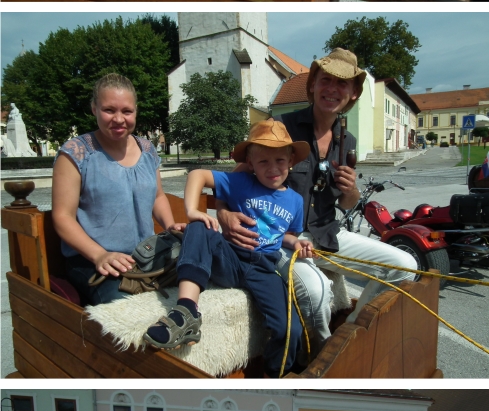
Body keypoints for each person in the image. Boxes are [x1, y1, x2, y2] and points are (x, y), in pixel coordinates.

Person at [143, 120, 309, 370]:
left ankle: (276, 377)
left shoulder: (295, 201)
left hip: (264, 269)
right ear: (251, 163)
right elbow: (197, 175)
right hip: (231, 258)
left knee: (290, 330)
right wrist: (191, 210)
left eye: (280, 161)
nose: (272, 168)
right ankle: (186, 311)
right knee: (199, 225)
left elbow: (283, 235)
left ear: (291, 161)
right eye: (263, 161)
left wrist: (296, 241)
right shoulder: (240, 181)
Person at [51, 69, 175, 303]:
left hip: (145, 256)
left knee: (198, 281)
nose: (119, 119)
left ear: (135, 112)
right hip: (91, 261)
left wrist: (170, 228)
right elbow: (62, 217)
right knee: (128, 308)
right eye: (109, 110)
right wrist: (100, 255)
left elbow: (158, 197)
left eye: (127, 111)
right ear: (94, 109)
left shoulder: (147, 150)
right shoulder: (76, 153)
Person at [283, 48, 363, 342]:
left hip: (328, 234)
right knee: (318, 291)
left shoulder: (348, 140)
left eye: (342, 83)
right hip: (287, 238)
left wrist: (350, 189)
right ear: (313, 85)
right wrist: (226, 211)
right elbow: (242, 173)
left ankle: (353, 334)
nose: (332, 89)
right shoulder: (284, 127)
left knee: (406, 267)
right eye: (325, 80)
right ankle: (323, 356)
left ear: (353, 92)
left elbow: (347, 203)